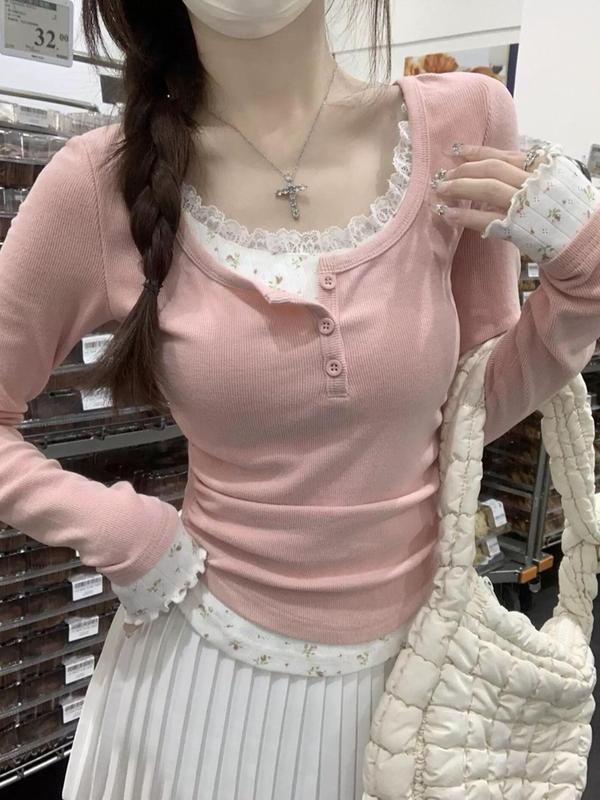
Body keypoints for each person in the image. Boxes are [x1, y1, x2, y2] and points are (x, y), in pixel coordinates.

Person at [0, 1, 598, 799]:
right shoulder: (99, 180)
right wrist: (116, 528)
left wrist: (584, 281)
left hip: (424, 693)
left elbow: (473, 406)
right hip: (199, 688)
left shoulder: (466, 122)